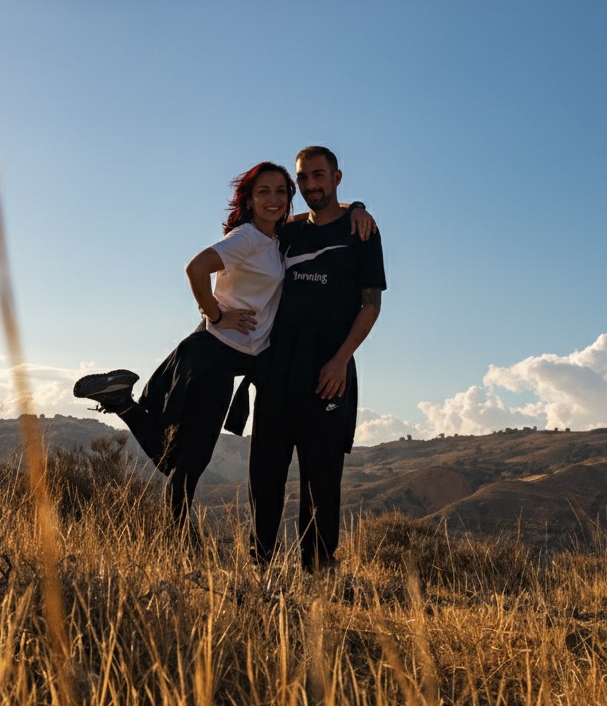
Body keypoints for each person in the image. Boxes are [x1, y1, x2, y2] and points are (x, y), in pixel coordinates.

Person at [73, 161, 371, 530]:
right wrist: (215, 314)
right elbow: (196, 268)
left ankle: (123, 404)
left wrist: (356, 207)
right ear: (249, 198)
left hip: (232, 358)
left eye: (281, 192)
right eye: (264, 192)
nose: (273, 199)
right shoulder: (246, 238)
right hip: (214, 352)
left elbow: (323, 211)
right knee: (186, 463)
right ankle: (126, 410)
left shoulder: (276, 237)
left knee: (182, 458)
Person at [249, 146, 386, 571]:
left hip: (330, 367)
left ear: (337, 177)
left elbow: (371, 305)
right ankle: (261, 564)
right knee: (265, 469)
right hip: (278, 364)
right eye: (303, 178)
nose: (311, 185)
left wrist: (339, 360)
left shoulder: (360, 231)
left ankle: (319, 567)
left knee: (321, 475)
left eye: (318, 176)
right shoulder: (287, 230)